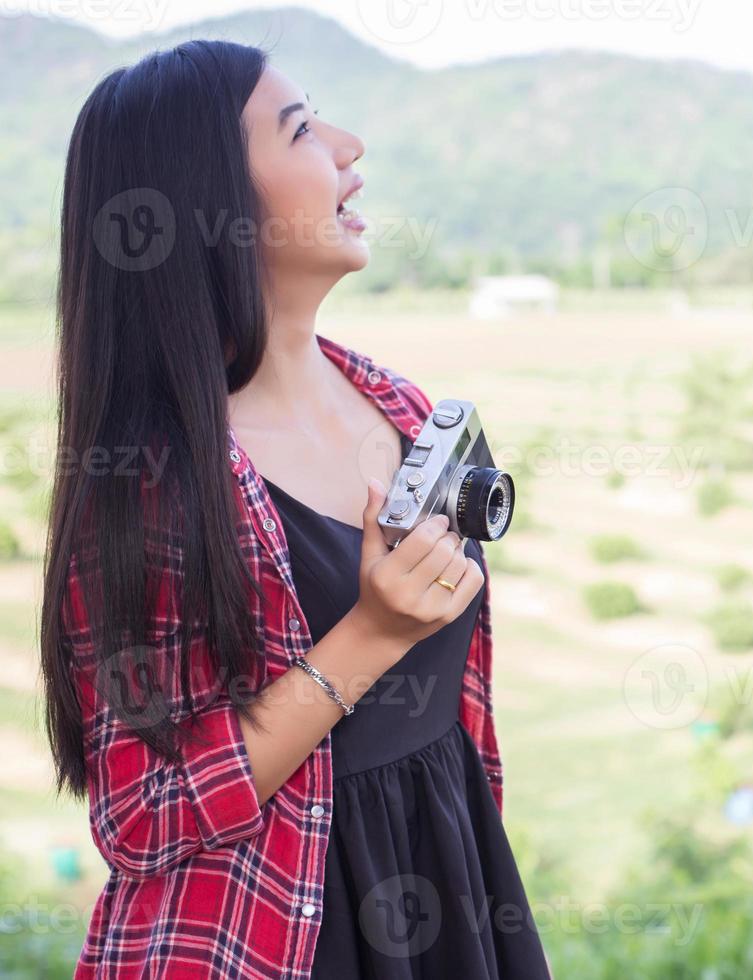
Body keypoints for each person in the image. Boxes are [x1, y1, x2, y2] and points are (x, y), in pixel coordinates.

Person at [38, 38, 553, 979]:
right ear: (211, 203)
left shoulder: (400, 406)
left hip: (450, 885)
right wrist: (371, 635)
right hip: (280, 934)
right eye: (304, 128)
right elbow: (142, 814)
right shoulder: (152, 480)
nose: (350, 148)